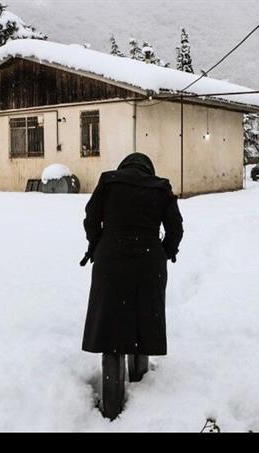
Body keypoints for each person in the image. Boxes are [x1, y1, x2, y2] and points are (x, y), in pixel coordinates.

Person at [80, 152, 183, 420]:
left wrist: (99, 243)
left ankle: (111, 408)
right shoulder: (160, 187)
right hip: (149, 263)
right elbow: (176, 228)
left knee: (110, 331)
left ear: (123, 167)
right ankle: (141, 387)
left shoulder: (109, 181)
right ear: (148, 169)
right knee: (143, 321)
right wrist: (165, 251)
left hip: (110, 262)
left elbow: (91, 218)